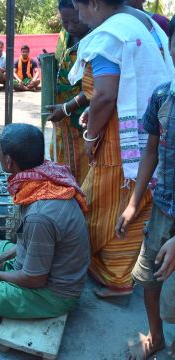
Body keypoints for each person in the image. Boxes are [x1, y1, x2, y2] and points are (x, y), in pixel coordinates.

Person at [69, 0, 174, 297]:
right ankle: (122, 273)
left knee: (100, 202)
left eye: (79, 8)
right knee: (135, 204)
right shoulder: (145, 22)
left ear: (94, 3)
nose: (79, 16)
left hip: (120, 140)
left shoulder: (110, 35)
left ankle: (115, 278)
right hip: (151, 131)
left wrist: (90, 138)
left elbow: (104, 96)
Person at [0, 123, 90, 326]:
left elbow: (36, 280)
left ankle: (7, 309)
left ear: (8, 162)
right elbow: (33, 242)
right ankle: (0, 299)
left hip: (53, 293)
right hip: (38, 262)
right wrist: (1, 257)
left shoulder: (40, 215)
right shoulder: (46, 176)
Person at [115, 16, 175, 360]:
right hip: (164, 208)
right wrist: (133, 204)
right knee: (150, 278)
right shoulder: (162, 96)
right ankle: (156, 336)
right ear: (171, 46)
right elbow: (151, 151)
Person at [45, 0, 90, 185]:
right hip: (62, 121)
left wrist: (66, 108)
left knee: (86, 169)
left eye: (75, 21)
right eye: (65, 22)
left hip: (83, 117)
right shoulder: (64, 36)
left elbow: (95, 87)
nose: (70, 27)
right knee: (62, 165)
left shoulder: (95, 39)